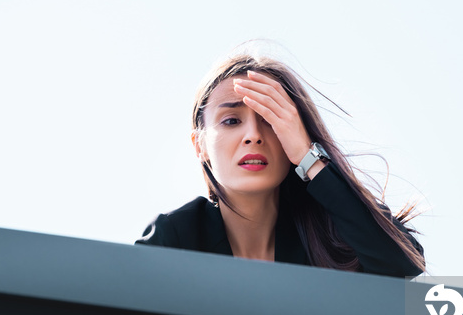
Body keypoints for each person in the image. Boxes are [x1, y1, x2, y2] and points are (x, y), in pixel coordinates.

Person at [136, 52, 425, 277]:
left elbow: (403, 266)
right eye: (232, 121)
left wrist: (309, 157)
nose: (253, 136)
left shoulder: (331, 235)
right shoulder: (175, 237)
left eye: (271, 120)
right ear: (200, 146)